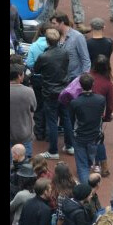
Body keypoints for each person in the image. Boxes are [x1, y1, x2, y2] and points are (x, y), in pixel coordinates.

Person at [34, 28, 74, 159]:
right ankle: (69, 146)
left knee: (52, 122)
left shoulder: (44, 56)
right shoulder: (65, 52)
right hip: (63, 90)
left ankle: (53, 151)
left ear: (47, 41)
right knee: (66, 118)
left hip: (49, 92)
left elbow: (36, 69)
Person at [69, 73, 106, 183]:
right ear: (93, 84)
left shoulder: (75, 102)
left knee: (82, 165)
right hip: (95, 135)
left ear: (80, 86)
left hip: (80, 136)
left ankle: (86, 188)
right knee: (90, 158)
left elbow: (71, 120)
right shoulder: (101, 99)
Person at [91, 55, 113, 177]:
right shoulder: (108, 84)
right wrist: (107, 117)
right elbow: (110, 106)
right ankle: (102, 167)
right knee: (99, 140)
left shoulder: (87, 76)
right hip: (97, 115)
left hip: (82, 111)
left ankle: (89, 163)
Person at [50, 12, 91, 81]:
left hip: (74, 78)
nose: (52, 26)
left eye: (54, 23)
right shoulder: (56, 36)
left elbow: (85, 59)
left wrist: (83, 79)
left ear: (62, 23)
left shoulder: (78, 37)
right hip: (60, 78)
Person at [10, 63, 37, 159]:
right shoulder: (28, 91)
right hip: (24, 134)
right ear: (18, 76)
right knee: (26, 164)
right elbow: (34, 107)